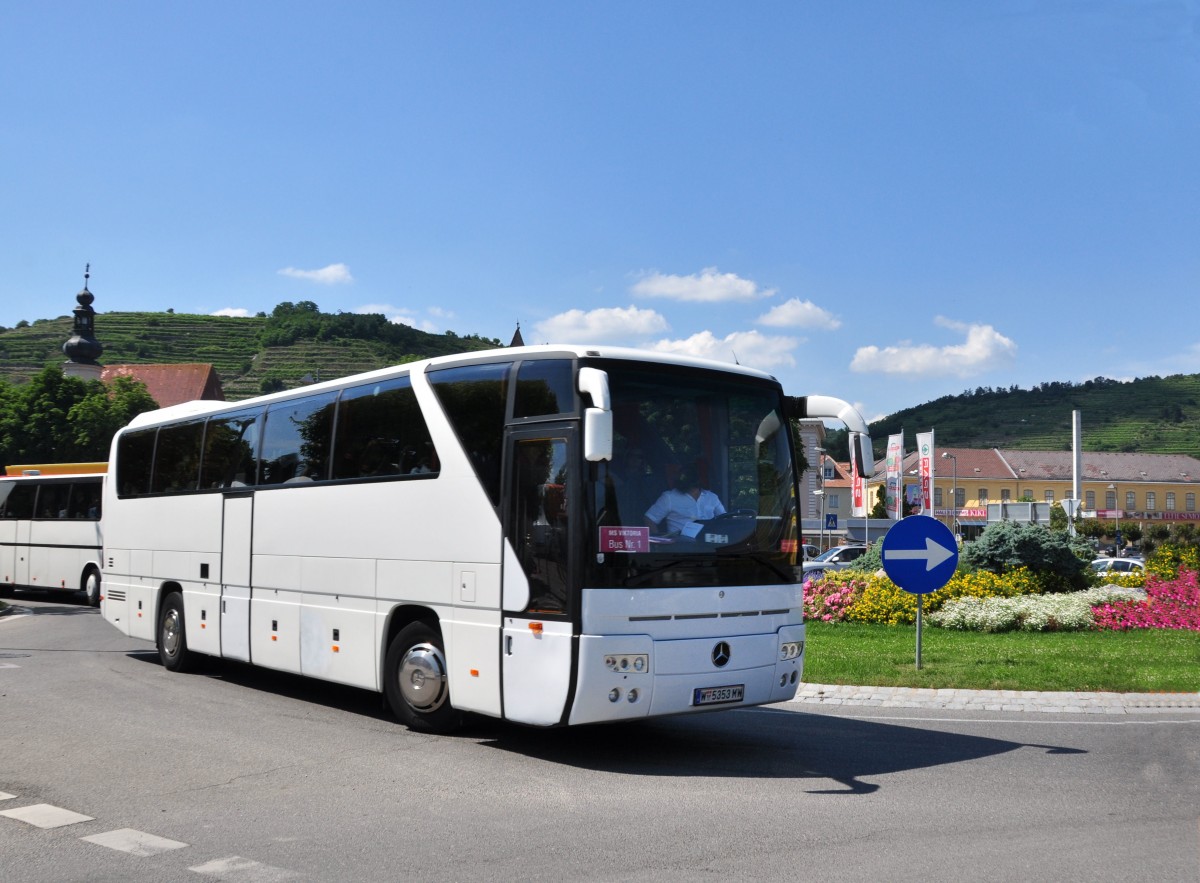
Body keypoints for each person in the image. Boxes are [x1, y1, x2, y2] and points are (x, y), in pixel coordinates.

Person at [644, 465, 725, 536]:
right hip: (681, 547)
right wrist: (660, 542)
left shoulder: (712, 497)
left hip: (708, 546)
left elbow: (724, 520)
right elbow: (649, 519)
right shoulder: (669, 497)